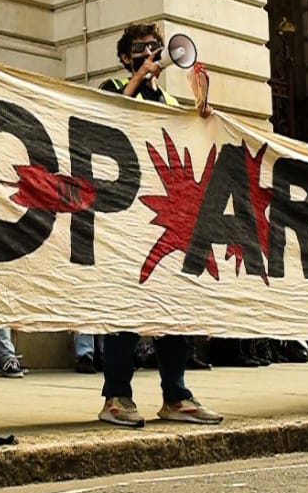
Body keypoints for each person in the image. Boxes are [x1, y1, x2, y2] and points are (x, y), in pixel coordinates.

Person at [93, 23, 222, 427]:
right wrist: (137, 79)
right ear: (124, 56)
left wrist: (200, 114)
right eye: (140, 49)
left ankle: (176, 395)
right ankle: (117, 396)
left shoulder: (166, 99)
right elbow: (106, 123)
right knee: (125, 311)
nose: (150, 53)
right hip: (122, 215)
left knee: (174, 308)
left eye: (155, 48)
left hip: (162, 219)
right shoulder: (113, 86)